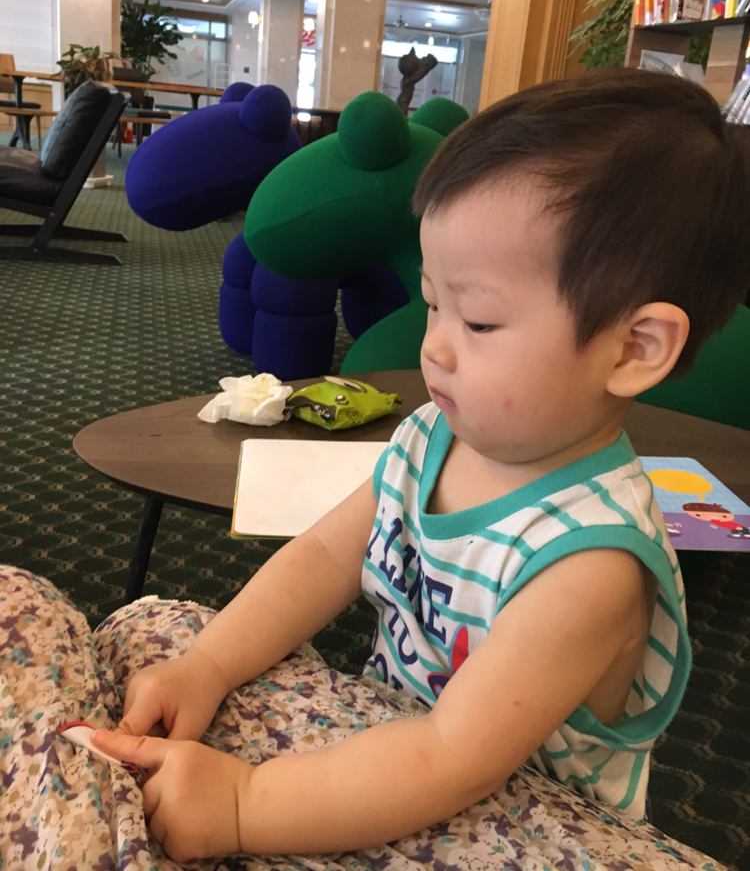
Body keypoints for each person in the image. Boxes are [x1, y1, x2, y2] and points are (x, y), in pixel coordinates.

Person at [3, 68, 749, 870]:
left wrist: (246, 804)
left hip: (516, 817)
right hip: (390, 741)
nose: (435, 347)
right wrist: (208, 663)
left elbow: (451, 757)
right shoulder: (432, 435)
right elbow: (326, 555)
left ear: (634, 348)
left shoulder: (589, 564)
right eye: (432, 302)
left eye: (479, 320)